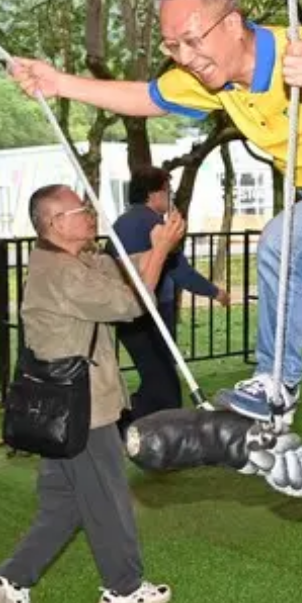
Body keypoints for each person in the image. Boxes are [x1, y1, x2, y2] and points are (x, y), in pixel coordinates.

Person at [8, 0, 302, 458]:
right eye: (173, 47)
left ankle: (277, 384)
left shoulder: (291, 47)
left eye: (192, 39)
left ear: (232, 23)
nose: (185, 58)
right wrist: (58, 82)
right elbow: (144, 97)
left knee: (281, 242)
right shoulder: (206, 80)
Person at [0, 184, 184, 603]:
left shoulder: (71, 261)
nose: (90, 214)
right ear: (55, 223)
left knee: (65, 503)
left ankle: (11, 581)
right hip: (81, 406)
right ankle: (123, 589)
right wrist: (162, 251)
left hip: (61, 407)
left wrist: (153, 250)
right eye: (80, 209)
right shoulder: (62, 274)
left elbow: (121, 272)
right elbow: (132, 304)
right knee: (108, 498)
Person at [111, 166, 226, 424]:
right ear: (155, 193)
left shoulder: (121, 222)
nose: (170, 196)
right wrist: (216, 292)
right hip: (148, 312)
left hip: (126, 312)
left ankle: (136, 427)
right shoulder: (152, 224)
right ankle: (131, 428)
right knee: (164, 381)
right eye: (167, 190)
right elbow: (178, 270)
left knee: (157, 377)